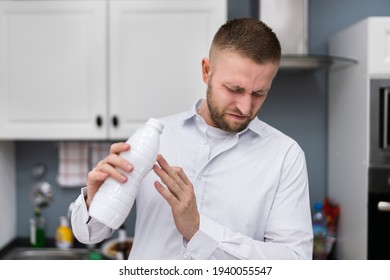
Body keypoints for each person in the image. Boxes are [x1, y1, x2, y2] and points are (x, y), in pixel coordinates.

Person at [71, 17, 313, 260]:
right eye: (234, 89)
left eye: (259, 93)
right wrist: (94, 201)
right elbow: (89, 234)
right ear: (206, 71)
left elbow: (295, 260)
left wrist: (199, 229)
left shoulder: (285, 156)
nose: (245, 106)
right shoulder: (156, 137)